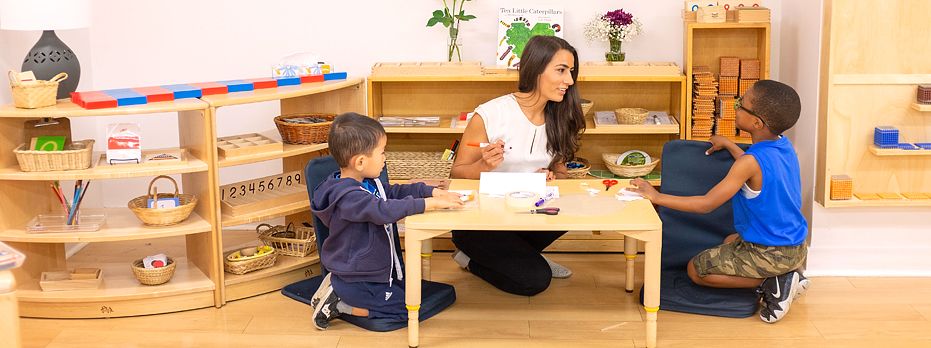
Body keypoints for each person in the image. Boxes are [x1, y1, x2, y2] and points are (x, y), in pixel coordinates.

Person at [629, 80, 810, 323]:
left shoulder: (748, 163)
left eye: (741, 104)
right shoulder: (784, 147)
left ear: (757, 123)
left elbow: (706, 204)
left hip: (770, 252)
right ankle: (788, 271)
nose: (735, 107)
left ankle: (773, 282)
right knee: (729, 240)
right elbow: (757, 167)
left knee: (696, 270)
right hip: (796, 247)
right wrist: (731, 145)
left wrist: (656, 196)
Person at [448, 35, 586, 296]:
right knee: (536, 281)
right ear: (536, 70)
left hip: (524, 213)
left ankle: (523, 256)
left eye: (571, 71)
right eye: (561, 70)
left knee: (572, 208)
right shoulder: (490, 114)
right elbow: (456, 172)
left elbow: (560, 171)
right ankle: (474, 259)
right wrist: (483, 167)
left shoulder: (560, 116)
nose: (569, 80)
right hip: (481, 221)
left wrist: (553, 176)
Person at [309, 112, 464, 330]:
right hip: (359, 278)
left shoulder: (368, 182)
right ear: (361, 162)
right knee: (407, 310)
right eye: (382, 152)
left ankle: (337, 291)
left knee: (409, 300)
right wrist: (428, 203)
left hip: (370, 273)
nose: (385, 157)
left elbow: (393, 192)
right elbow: (382, 210)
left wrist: (430, 191)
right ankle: (339, 305)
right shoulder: (349, 198)